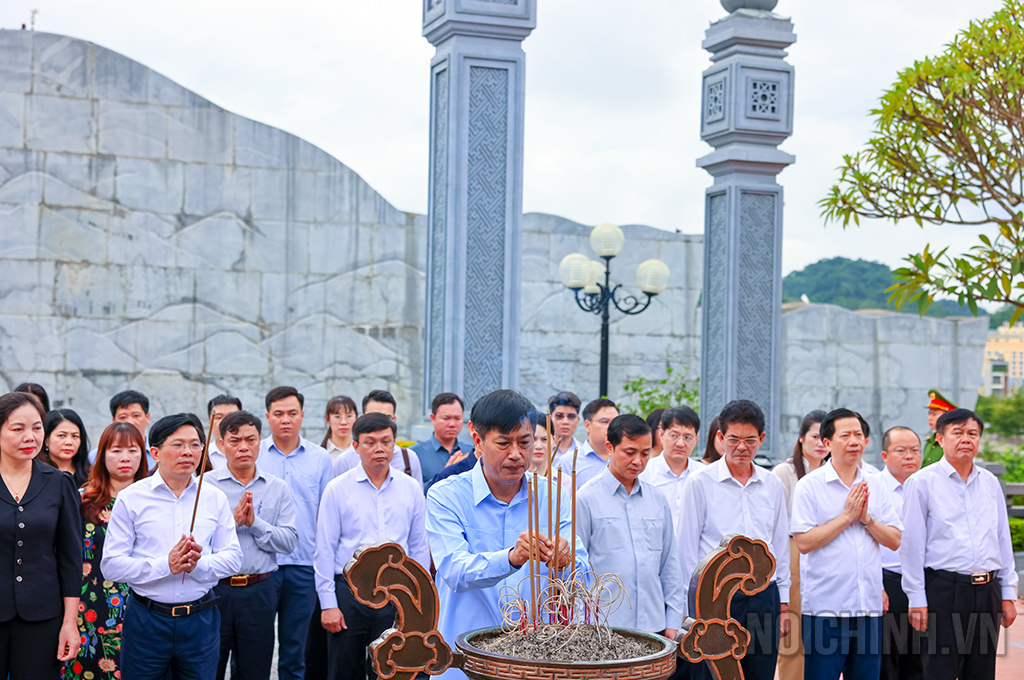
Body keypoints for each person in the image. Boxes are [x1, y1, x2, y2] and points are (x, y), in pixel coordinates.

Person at [426, 390, 589, 679]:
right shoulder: (446, 496)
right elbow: (453, 570)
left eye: (525, 442)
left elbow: (581, 572)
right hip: (464, 659)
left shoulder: (552, 496)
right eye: (503, 443)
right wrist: (512, 558)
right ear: (478, 441)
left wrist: (566, 561)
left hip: (535, 657)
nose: (516, 454)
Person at [102, 413, 242, 680]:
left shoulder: (214, 497)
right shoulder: (131, 498)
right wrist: (166, 565)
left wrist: (198, 565)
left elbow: (234, 558)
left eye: (195, 445)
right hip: (147, 619)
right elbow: (111, 566)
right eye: (177, 444)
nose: (187, 452)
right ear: (154, 452)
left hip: (200, 620)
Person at [901, 408, 1019, 680]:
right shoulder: (922, 483)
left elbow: (1002, 540)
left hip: (986, 591)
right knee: (939, 670)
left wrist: (1008, 594)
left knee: (981, 671)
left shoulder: (990, 483)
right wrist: (916, 599)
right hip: (943, 591)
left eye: (972, 433)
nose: (966, 439)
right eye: (958, 433)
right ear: (940, 439)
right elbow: (912, 546)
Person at [677, 400, 790, 680]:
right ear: (720, 438)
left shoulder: (772, 484)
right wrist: (688, 607)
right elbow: (686, 549)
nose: (742, 447)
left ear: (761, 439)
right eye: (734, 439)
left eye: (750, 440)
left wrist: (784, 603)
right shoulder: (700, 483)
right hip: (714, 598)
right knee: (714, 672)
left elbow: (780, 548)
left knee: (760, 670)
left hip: (764, 596)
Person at [315, 413, 429, 680]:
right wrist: (328, 604)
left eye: (386, 442)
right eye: (370, 442)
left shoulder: (410, 488)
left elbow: (419, 547)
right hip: (349, 592)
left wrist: (419, 601)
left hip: (398, 593)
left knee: (393, 668)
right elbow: (325, 549)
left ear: (394, 445)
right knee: (345, 668)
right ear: (355, 446)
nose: (379, 448)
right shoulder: (337, 489)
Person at [791, 408, 902, 680]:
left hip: (869, 608)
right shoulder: (810, 485)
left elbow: (895, 540)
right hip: (825, 609)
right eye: (845, 435)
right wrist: (847, 517)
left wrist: (866, 520)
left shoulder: (876, 483)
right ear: (827, 443)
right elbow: (804, 542)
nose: (854, 441)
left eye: (859, 435)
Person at [576, 414, 684, 640]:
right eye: (630, 452)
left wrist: (674, 620)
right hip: (602, 626)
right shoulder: (585, 499)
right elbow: (576, 570)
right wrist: (581, 624)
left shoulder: (657, 500)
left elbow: (670, 564)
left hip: (653, 625)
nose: (638, 461)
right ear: (610, 448)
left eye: (645, 453)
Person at [209, 411, 298, 680]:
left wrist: (255, 523)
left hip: (259, 590)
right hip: (214, 590)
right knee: (209, 665)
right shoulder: (206, 486)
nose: (244, 447)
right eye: (235, 440)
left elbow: (289, 542)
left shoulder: (277, 487)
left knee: (255, 670)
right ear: (221, 444)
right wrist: (234, 523)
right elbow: (199, 541)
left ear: (261, 441)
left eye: (251, 439)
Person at [0, 391, 82, 679]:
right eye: (17, 429)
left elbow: (72, 558)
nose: (30, 437)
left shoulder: (60, 483)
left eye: (36, 428)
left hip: (43, 617)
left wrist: (70, 622)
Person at [257, 386, 333, 680]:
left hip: (304, 567)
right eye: (278, 414)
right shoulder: (255, 454)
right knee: (256, 648)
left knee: (295, 649)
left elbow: (327, 517)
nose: (285, 419)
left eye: (292, 413)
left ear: (302, 415)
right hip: (264, 566)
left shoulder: (320, 458)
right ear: (267, 416)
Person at [67, 422, 148, 680]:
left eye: (133, 450)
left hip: (143, 602)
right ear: (101, 456)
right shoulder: (81, 500)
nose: (125, 458)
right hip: (89, 604)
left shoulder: (154, 500)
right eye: (116, 450)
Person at [770, 409, 826, 680]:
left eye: (825, 437)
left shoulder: (834, 473)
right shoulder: (785, 471)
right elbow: (777, 523)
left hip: (827, 552)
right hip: (792, 551)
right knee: (792, 626)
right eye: (815, 436)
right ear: (801, 438)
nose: (820, 443)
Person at [875, 426, 924, 680]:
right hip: (888, 582)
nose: (910, 456)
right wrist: (877, 584)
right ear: (884, 456)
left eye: (915, 450)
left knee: (920, 660)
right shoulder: (873, 487)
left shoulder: (927, 484)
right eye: (901, 450)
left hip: (925, 583)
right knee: (887, 659)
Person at [333, 390, 424, 490]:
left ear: (395, 420)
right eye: (373, 417)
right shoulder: (345, 461)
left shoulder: (409, 458)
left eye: (387, 418)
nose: (380, 424)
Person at [639, 407, 699, 528]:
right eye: (674, 435)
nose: (680, 443)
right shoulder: (644, 473)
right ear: (661, 434)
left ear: (696, 439)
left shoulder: (702, 475)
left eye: (687, 437)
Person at [555, 397, 619, 490]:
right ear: (587, 425)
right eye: (604, 422)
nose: (611, 427)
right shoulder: (569, 462)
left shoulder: (624, 458)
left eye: (615, 422)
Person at [412, 392, 474, 486]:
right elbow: (414, 494)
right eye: (446, 418)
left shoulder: (471, 451)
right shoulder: (415, 454)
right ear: (433, 418)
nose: (452, 424)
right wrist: (445, 474)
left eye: (457, 418)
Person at [90, 390, 155, 471]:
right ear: (114, 421)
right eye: (123, 417)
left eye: (136, 415)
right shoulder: (95, 456)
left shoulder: (158, 453)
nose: (130, 422)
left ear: (147, 417)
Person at [40, 408, 92, 487]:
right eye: (61, 435)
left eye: (75, 436)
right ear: (46, 439)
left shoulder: (92, 476)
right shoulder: (36, 474)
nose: (69, 442)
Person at [206, 395, 242, 470]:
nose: (225, 421)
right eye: (219, 417)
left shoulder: (258, 452)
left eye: (231, 416)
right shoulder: (202, 455)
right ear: (210, 423)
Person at [920, 389, 954, 467]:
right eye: (929, 414)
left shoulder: (951, 442)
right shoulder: (930, 441)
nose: (930, 418)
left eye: (934, 414)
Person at [548, 391, 584, 464]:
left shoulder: (583, 452)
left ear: (578, 421)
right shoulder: (541, 450)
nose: (565, 422)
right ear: (550, 419)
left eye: (571, 416)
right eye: (559, 416)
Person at [319, 396, 357, 463]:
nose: (343, 422)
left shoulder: (362, 451)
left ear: (356, 418)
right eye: (337, 416)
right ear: (327, 419)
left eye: (349, 416)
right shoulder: (318, 452)